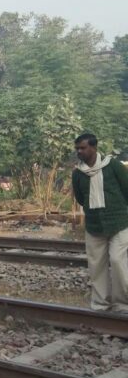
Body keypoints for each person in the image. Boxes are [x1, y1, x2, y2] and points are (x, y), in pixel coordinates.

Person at [72, 133, 128, 313]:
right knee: (96, 266)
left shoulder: (113, 166)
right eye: (77, 148)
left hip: (119, 223)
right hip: (94, 226)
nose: (79, 151)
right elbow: (81, 198)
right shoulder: (78, 173)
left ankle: (122, 304)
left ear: (94, 148)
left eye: (83, 147)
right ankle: (101, 304)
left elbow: (126, 189)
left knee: (118, 261)